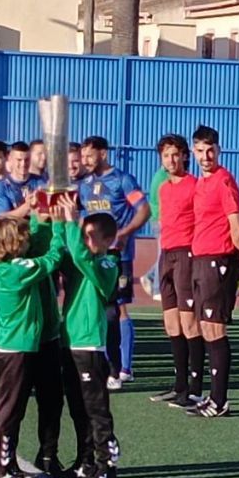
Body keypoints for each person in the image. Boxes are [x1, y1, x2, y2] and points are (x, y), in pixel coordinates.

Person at [0, 212, 66, 478]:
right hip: (16, 349)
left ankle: (21, 461)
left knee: (23, 406)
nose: (28, 239)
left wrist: (36, 213)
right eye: (23, 237)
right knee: (10, 411)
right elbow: (51, 259)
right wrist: (61, 228)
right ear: (12, 244)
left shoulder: (1, 264)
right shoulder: (17, 269)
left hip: (19, 345)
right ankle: (0, 468)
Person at [55, 195, 121, 478]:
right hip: (70, 341)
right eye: (84, 236)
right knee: (77, 407)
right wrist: (59, 221)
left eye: (91, 237)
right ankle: (86, 459)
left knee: (96, 408)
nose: (85, 241)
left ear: (108, 240)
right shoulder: (81, 258)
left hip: (90, 345)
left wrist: (71, 220)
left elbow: (81, 256)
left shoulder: (107, 262)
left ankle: (107, 465)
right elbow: (66, 252)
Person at [78, 136, 149, 389]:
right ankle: (106, 366)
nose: (84, 160)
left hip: (119, 256)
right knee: (97, 308)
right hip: (94, 256)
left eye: (89, 155)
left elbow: (144, 209)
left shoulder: (122, 179)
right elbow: (79, 216)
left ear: (103, 154)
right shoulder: (84, 184)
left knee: (118, 309)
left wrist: (125, 233)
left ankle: (125, 368)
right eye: (83, 156)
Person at [186, 125, 239, 418]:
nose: (206, 156)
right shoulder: (201, 183)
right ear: (194, 152)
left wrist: (235, 263)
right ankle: (212, 396)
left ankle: (220, 401)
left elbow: (237, 226)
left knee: (215, 328)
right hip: (200, 258)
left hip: (217, 260)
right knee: (206, 328)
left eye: (211, 150)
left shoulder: (223, 181)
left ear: (218, 150)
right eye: (200, 151)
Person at [148, 135, 204, 408]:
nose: (171, 160)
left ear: (184, 156)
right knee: (171, 323)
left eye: (175, 155)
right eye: (166, 156)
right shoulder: (163, 188)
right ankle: (179, 384)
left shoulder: (195, 186)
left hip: (186, 255)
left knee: (188, 322)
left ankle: (195, 388)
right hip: (167, 256)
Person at [0, 142, 45, 350]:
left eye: (25, 160)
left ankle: (39, 333)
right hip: (8, 250)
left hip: (36, 244)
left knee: (39, 295)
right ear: (9, 162)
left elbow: (46, 212)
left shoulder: (40, 182)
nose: (22, 165)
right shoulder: (1, 186)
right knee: (2, 294)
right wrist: (28, 207)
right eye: (18, 160)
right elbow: (3, 218)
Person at [139, 163, 171, 301]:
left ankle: (151, 276)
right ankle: (157, 288)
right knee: (163, 253)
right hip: (161, 219)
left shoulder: (163, 175)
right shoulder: (163, 177)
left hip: (160, 219)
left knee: (167, 253)